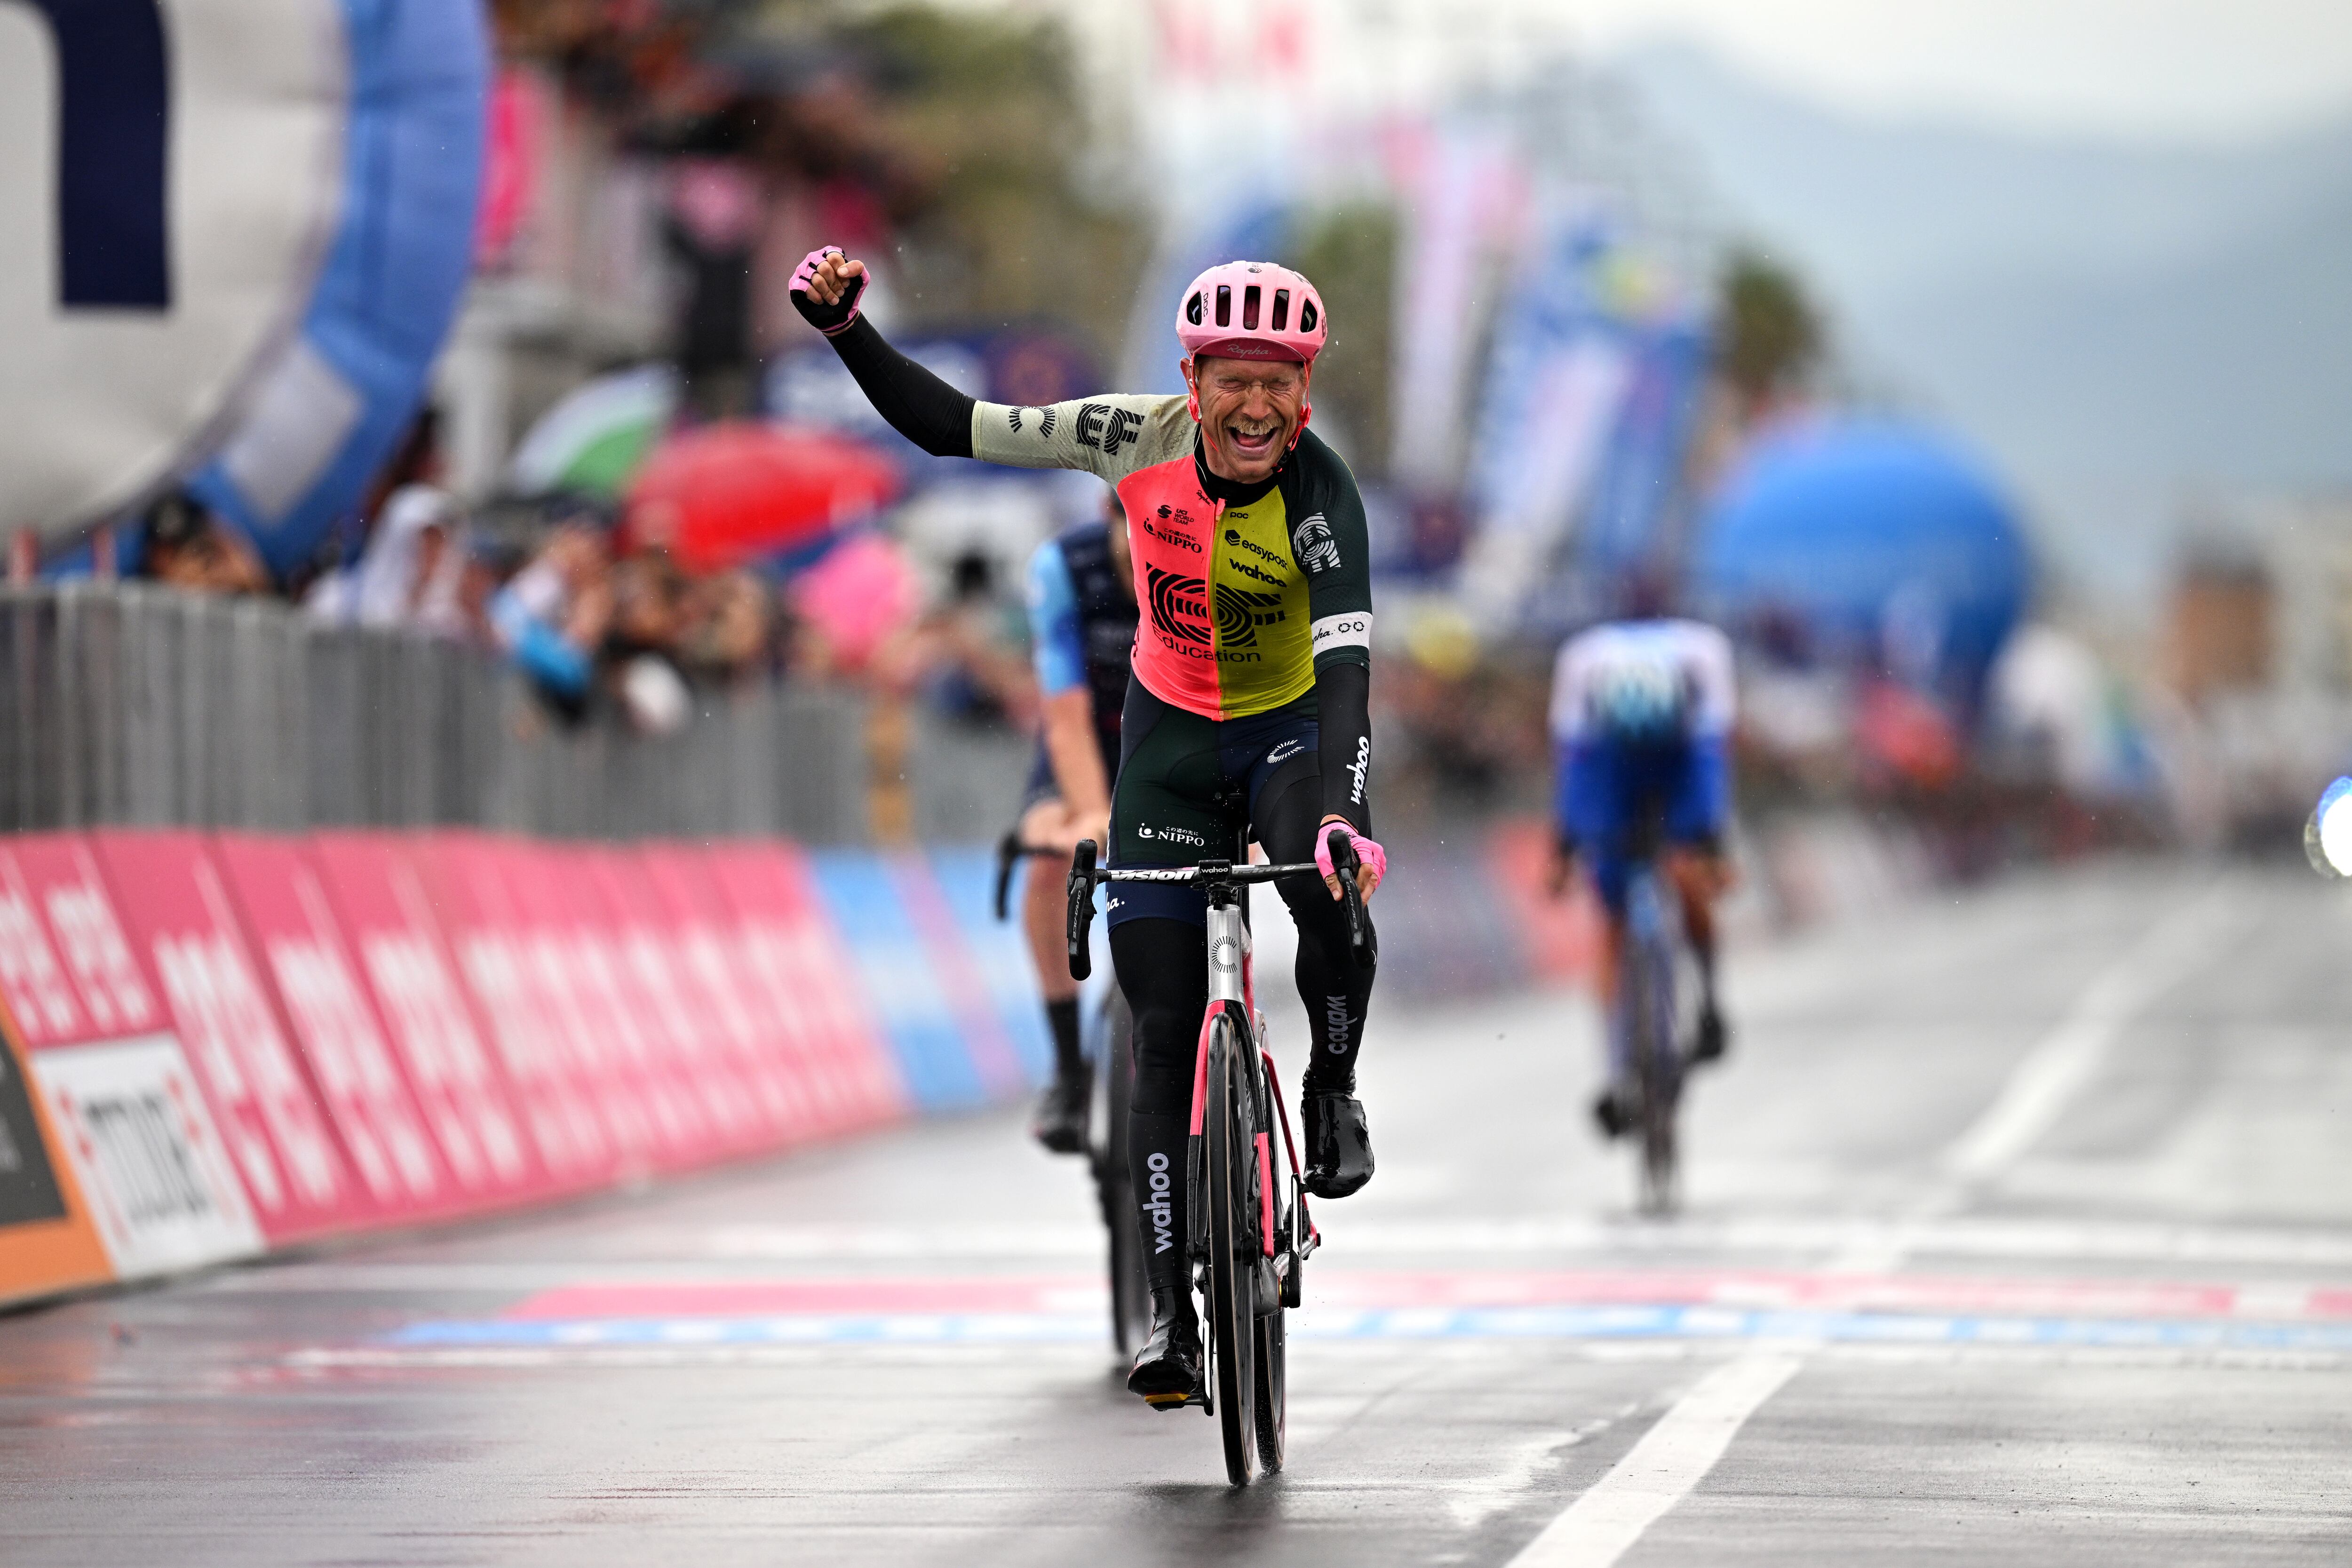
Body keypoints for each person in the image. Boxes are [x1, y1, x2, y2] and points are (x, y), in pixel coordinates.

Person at [793, 248, 1386, 1412]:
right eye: (1233, 380)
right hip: (1164, 745)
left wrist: (1342, 818)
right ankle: (1170, 1313)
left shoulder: (1327, 501)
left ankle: (1329, 1089)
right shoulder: (1128, 435)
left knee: (1327, 887)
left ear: (1303, 395)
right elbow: (952, 426)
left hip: (1283, 738)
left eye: (1279, 383)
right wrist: (848, 333)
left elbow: (1351, 679)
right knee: (1162, 1023)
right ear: (1191, 379)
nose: (1255, 405)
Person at [1545, 599, 1737, 1138]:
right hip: (1611, 766)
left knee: (1688, 873)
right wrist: (1563, 851)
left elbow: (1711, 768)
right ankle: (1613, 1073)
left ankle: (1708, 998)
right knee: (1610, 920)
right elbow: (1574, 774)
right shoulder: (1583, 668)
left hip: (1678, 762)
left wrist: (1711, 849)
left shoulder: (1702, 658)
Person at [1018, 491, 1139, 1154]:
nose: (1136, 551)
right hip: (1086, 734)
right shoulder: (1063, 567)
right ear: (1109, 521)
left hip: (1172, 736)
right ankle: (1069, 1067)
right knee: (1048, 855)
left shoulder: (1214, 564)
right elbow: (1063, 717)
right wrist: (1093, 816)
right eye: (1126, 528)